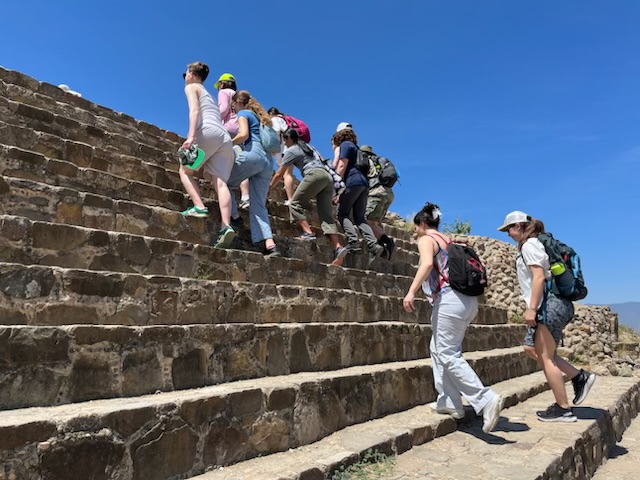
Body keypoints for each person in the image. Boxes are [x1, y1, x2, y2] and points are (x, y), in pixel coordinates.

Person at [403, 203, 503, 433]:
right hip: (468, 301)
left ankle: (485, 399)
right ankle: (450, 402)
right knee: (438, 348)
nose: (415, 231)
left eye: (416, 227)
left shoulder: (427, 239)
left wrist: (411, 291)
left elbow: (427, 264)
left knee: (447, 352)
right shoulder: (449, 241)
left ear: (423, 224)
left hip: (450, 300)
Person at [498, 211, 596, 422]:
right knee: (531, 348)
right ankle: (579, 377)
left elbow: (539, 277)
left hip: (549, 305)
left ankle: (563, 409)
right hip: (555, 304)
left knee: (546, 357)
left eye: (509, 229)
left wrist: (532, 309)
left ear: (518, 226)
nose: (508, 234)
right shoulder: (534, 244)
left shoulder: (529, 245)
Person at [179, 61, 235, 249]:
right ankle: (225, 226)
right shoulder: (209, 95)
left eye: (185, 73)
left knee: (185, 171)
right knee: (220, 182)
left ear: (192, 75)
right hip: (224, 138)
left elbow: (194, 110)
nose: (184, 77)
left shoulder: (192, 87)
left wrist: (191, 136)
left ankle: (199, 206)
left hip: (207, 132)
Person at [270, 128, 345, 256]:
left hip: (315, 175)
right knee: (326, 214)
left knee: (294, 203)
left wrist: (269, 187)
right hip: (327, 178)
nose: (284, 143)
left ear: (289, 139)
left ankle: (308, 233)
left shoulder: (291, 150)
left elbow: (279, 174)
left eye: (284, 140)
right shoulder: (309, 147)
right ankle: (338, 247)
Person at [228, 90, 280, 257]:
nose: (233, 109)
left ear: (237, 103)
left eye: (232, 106)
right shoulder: (260, 118)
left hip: (254, 153)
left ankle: (235, 217)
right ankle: (270, 244)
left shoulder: (244, 113)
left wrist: (226, 143)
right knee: (258, 204)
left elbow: (243, 135)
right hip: (267, 162)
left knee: (224, 182)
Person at [331, 123, 385, 266]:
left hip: (352, 182)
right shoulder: (356, 148)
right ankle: (373, 244)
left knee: (342, 214)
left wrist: (335, 188)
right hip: (364, 185)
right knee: (360, 218)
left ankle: (353, 241)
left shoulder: (345, 146)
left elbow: (342, 166)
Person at [361, 145, 396, 260]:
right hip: (388, 193)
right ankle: (382, 245)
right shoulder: (379, 163)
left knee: (367, 221)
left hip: (377, 192)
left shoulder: (365, 162)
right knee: (375, 222)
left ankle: (387, 242)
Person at [267, 107, 295, 205]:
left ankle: (291, 199)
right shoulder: (285, 120)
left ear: (270, 113)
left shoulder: (275, 119)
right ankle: (289, 194)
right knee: (288, 174)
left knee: (286, 174)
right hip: (292, 148)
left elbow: (276, 131)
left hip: (284, 149)